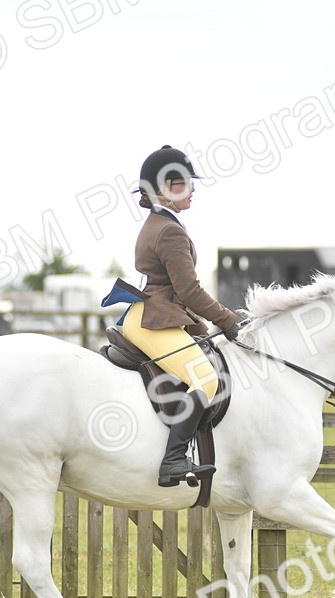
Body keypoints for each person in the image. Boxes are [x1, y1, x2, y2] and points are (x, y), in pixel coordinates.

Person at [112, 145, 240, 487]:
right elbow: (190, 292)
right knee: (207, 379)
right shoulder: (168, 230)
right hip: (152, 321)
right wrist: (227, 320)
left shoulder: (163, 223)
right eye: (184, 183)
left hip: (153, 314)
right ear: (164, 188)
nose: (193, 190)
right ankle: (172, 461)